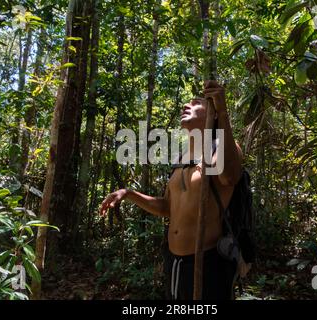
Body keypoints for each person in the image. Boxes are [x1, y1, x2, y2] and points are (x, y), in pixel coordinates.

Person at [99, 80, 246, 300]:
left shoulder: (222, 147)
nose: (186, 105)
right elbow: (169, 207)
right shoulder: (181, 157)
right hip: (174, 262)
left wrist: (223, 111)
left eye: (196, 103)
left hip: (207, 262)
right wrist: (128, 194)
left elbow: (230, 177)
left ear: (212, 114)